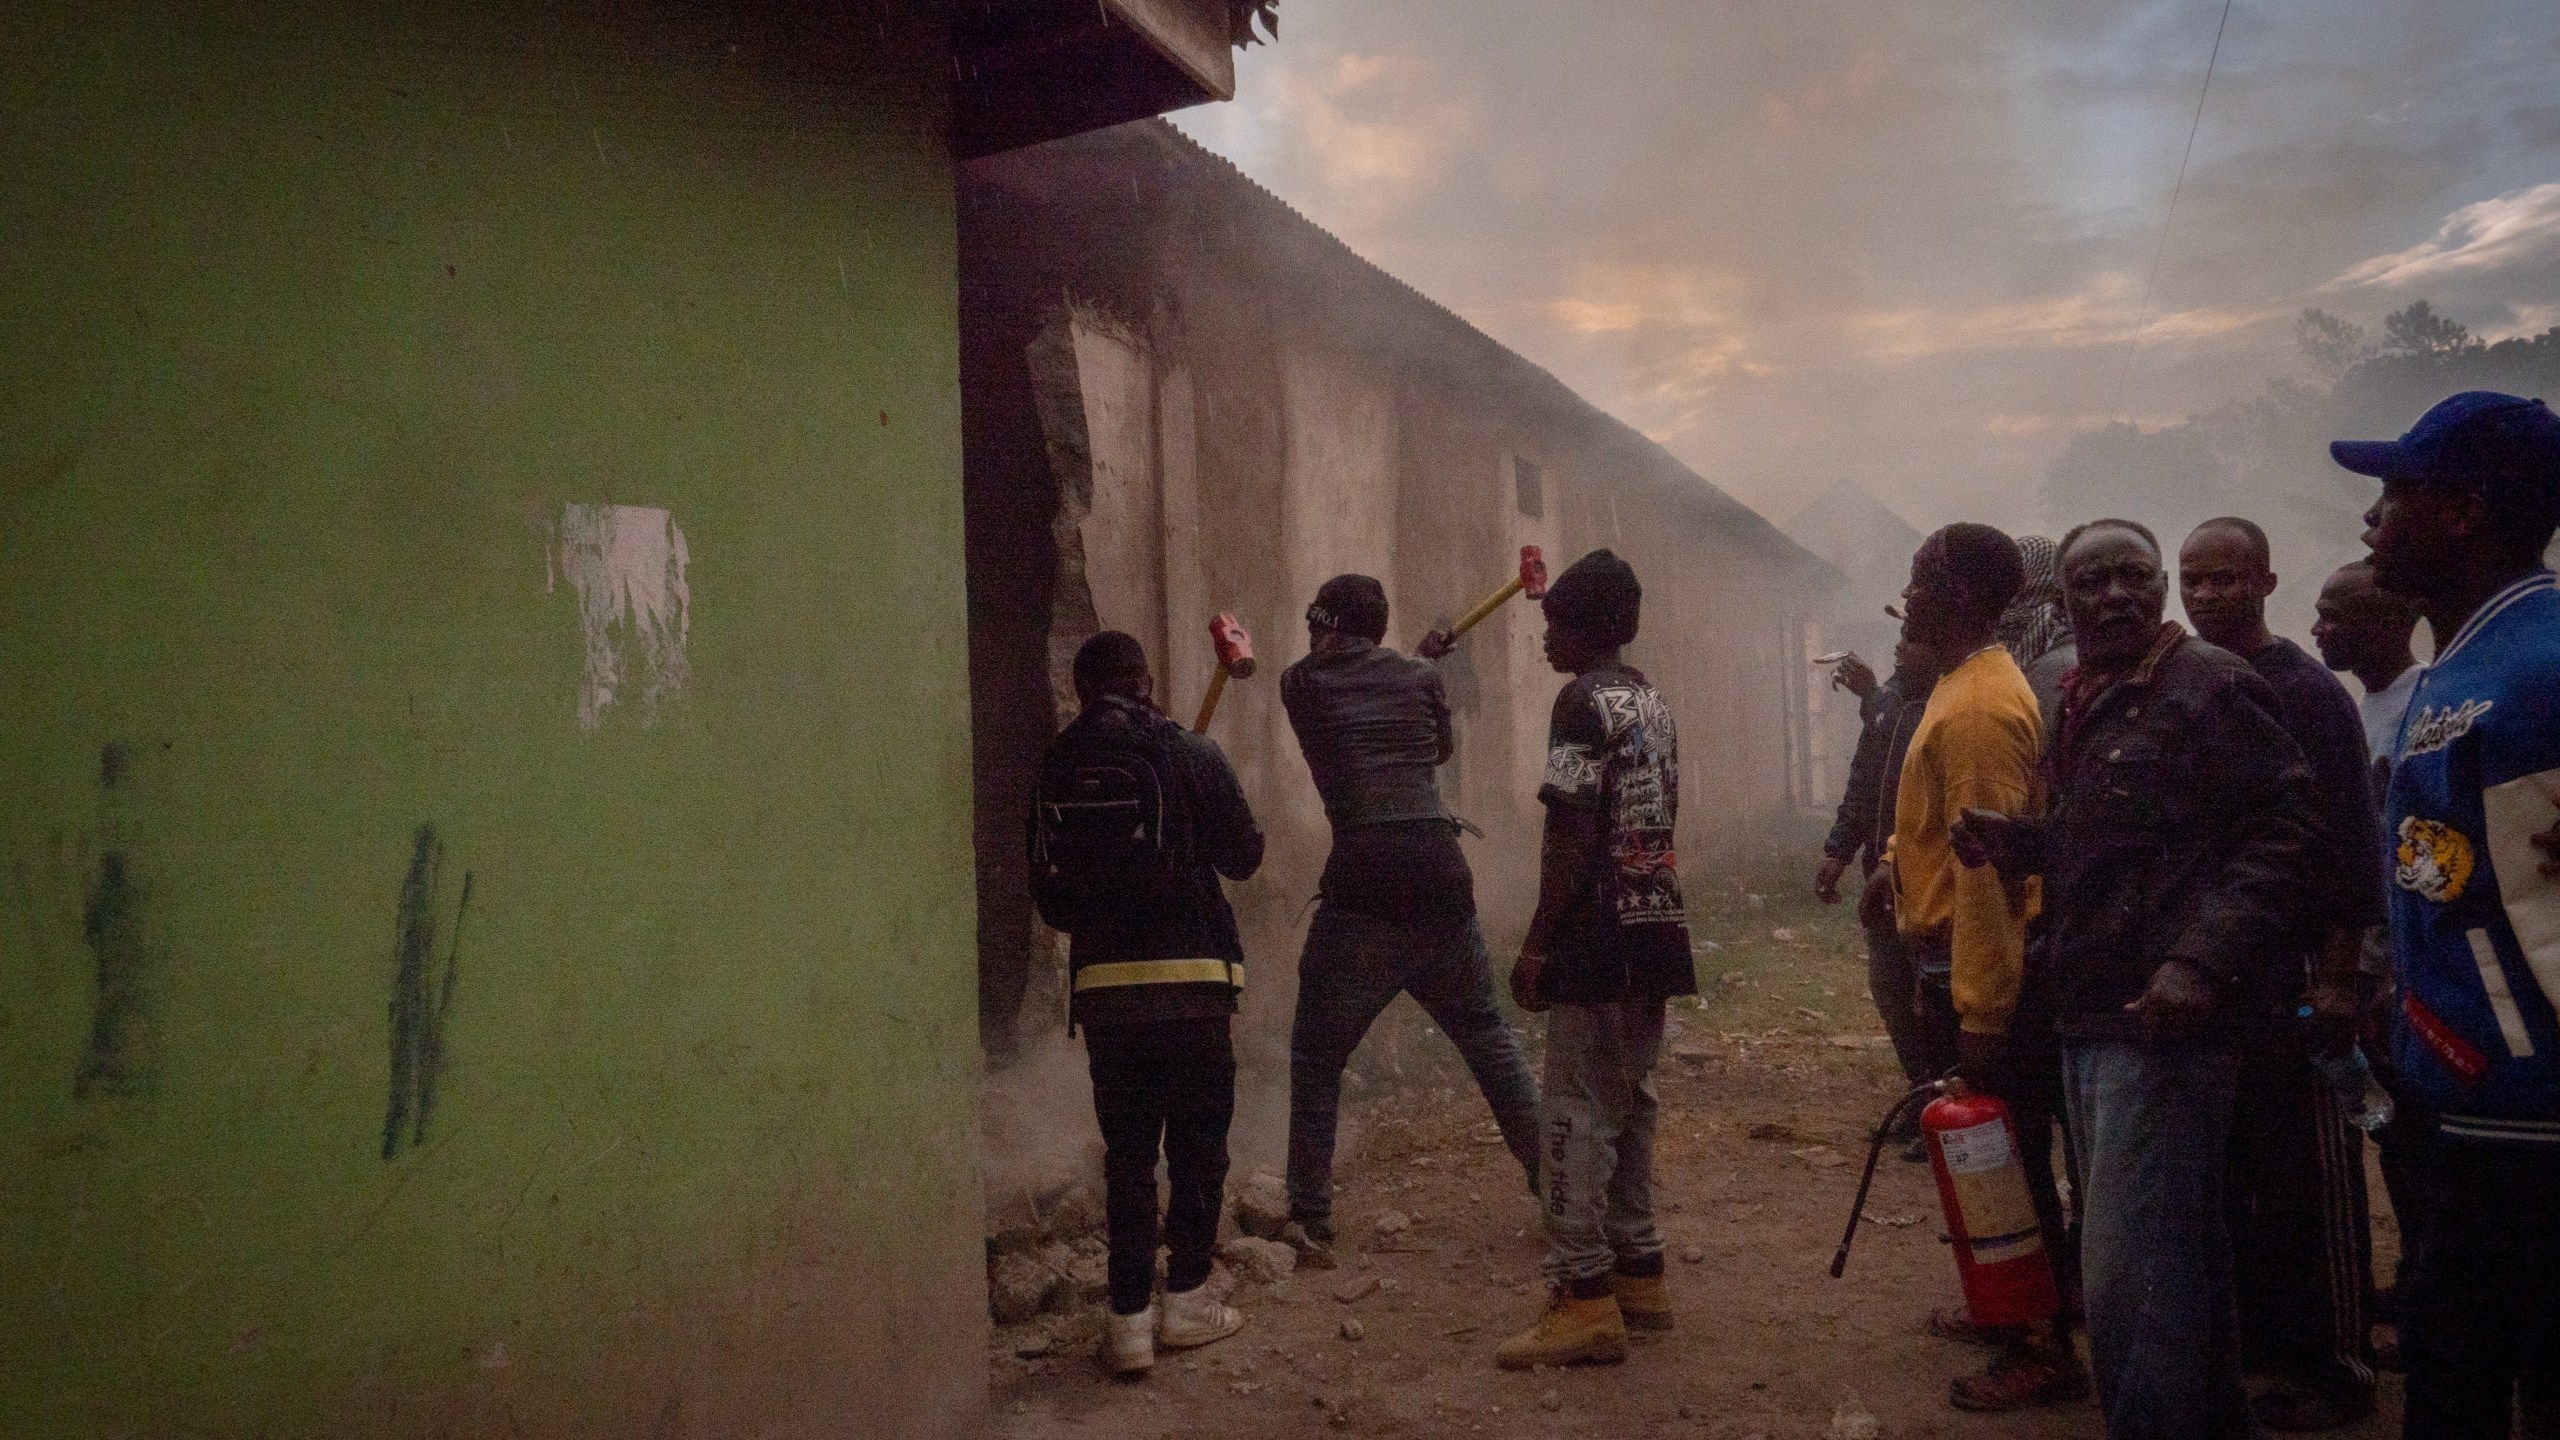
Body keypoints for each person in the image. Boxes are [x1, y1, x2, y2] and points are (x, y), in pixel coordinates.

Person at [1953, 518, 2322, 1440]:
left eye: (2131, 577)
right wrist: (2023, 843)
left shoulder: (2209, 687)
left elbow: (2285, 831)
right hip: (2093, 1013)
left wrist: (2198, 961)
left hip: (2162, 1025)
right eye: (2092, 583)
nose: (2112, 595)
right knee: (2177, 1268)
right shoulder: (2092, 693)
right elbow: (2125, 847)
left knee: (2125, 1280)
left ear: (2158, 589)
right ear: (2065, 604)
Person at [2333, 391, 2560, 1440]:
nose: (2371, 519)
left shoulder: (2542, 660)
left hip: (2537, 1129)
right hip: (2458, 1119)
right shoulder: (2459, 664)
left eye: (2393, 493)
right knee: (2445, 1376)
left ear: (2462, 511)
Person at [2180, 518, 2386, 1430]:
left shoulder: (2308, 694)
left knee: (2316, 1174)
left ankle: (2341, 1363)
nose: (2209, 594)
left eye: (2226, 579)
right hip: (2225, 967)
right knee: (2241, 1169)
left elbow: (2348, 849)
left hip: (2303, 958)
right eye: (2195, 580)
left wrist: (2339, 980)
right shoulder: (2189, 684)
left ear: (2266, 582)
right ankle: (2273, 1341)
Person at [1279, 574, 1541, 1263]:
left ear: (1327, 626)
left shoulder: (1301, 686)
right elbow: (1434, 749)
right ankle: (1560, 1183)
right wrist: (1421, 661)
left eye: (1316, 625)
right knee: (1488, 1038)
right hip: (1439, 872)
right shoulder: (1422, 678)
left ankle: (1309, 1214)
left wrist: (1413, 661)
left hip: (1366, 881)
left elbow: (1337, 678)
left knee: (1316, 1058)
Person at [1027, 631, 1267, 1375]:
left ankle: (1128, 1319)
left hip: (1108, 997)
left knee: (1128, 1157)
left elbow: (1052, 901)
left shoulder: (1055, 765)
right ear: (1146, 681)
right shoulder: (1191, 754)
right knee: (1197, 1148)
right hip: (1193, 989)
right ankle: (1188, 1298)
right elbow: (1245, 857)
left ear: (1080, 687)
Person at [1888, 523, 2088, 1411]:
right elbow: (1943, 831)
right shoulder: (1962, 686)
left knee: (2008, 1158)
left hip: (1983, 972)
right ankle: (2011, 1313)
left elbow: (1989, 871)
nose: (1909, 596)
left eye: (1921, 581)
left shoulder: (1977, 706)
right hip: (1949, 959)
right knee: (1995, 1156)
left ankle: (2040, 1344)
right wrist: (1896, 868)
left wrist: (1983, 1009)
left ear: (1961, 596)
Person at [1495, 550, 1695, 1369]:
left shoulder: (1579, 704)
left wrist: (1539, 939)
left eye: (1552, 626)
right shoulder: (1650, 699)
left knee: (1574, 1114)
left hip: (1595, 931)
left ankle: (1583, 1297)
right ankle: (1638, 1274)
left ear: (1583, 630)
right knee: (1632, 1100)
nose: (1544, 641)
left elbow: (1570, 831)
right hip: (1655, 925)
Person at [2309, 557, 2431, 1347]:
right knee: (2394, 1135)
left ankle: (2433, 1306)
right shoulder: (2369, 705)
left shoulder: (2418, 706)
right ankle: (2419, 1286)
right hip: (2382, 961)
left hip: (2402, 968)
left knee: (2419, 1143)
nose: (2318, 628)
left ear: (2387, 621)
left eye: (2333, 614)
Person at [1815, 639, 1953, 1130]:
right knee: (1890, 985)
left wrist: (1873, 699)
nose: (1898, 648)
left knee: (1932, 997)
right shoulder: (1891, 700)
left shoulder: (1944, 701)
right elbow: (1864, 780)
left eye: (1913, 637)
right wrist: (1838, 849)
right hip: (1882, 875)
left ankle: (1945, 1108)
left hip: (1930, 879)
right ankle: (1922, 1095)